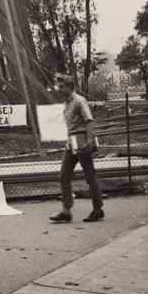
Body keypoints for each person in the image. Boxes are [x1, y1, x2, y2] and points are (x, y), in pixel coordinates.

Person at [49, 74, 104, 223]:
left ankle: (98, 209)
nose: (59, 89)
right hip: (71, 142)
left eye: (61, 87)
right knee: (63, 175)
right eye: (58, 86)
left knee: (90, 176)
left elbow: (89, 122)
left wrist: (89, 141)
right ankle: (66, 211)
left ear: (69, 86)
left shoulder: (80, 101)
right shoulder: (66, 102)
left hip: (81, 140)